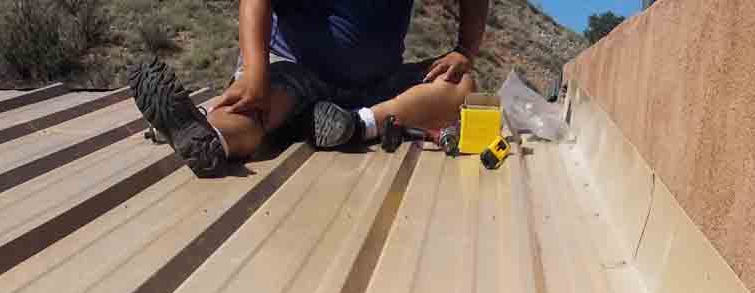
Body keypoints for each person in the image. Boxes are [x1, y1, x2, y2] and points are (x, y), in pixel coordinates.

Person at [129, 0, 488, 176]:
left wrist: (464, 50)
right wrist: (255, 73)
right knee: (254, 104)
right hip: (296, 69)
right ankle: (205, 134)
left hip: (377, 84)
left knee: (460, 86)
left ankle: (355, 123)